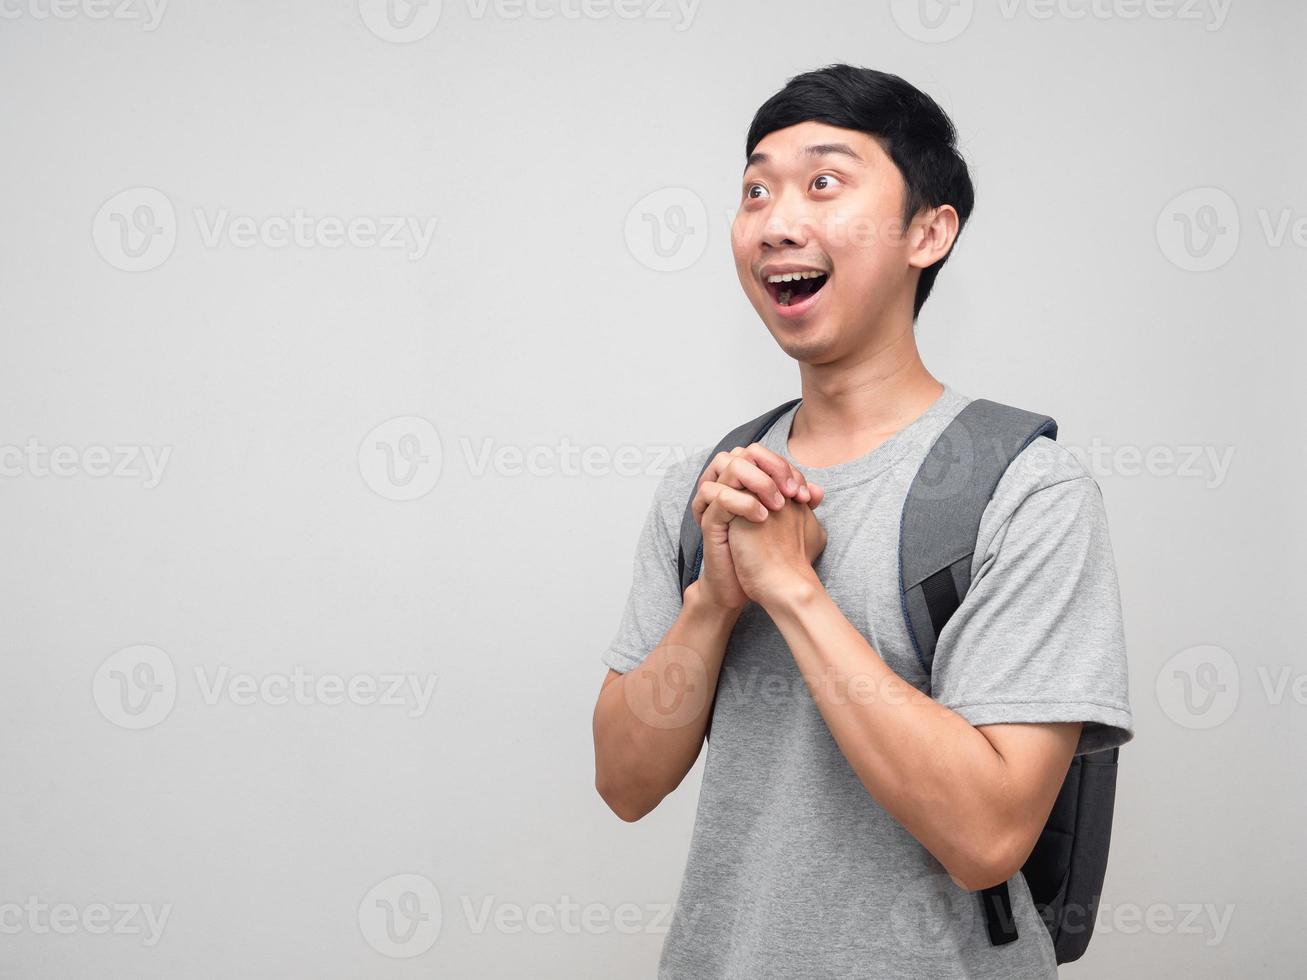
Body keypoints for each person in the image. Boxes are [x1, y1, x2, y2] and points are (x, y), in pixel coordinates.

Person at [591, 63, 1134, 979]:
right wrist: (713, 603)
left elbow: (987, 835)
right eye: (755, 189)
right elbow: (624, 783)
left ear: (927, 231)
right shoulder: (709, 488)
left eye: (823, 182)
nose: (776, 220)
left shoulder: (1026, 491)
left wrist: (795, 595)